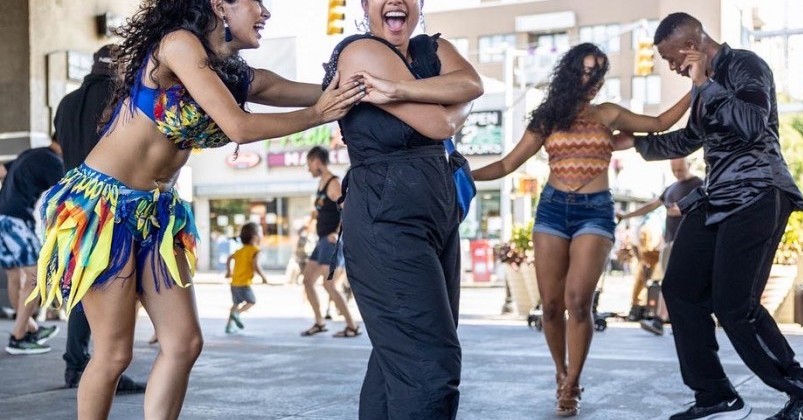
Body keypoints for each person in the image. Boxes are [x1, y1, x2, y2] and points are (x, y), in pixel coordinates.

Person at [28, 1, 364, 418]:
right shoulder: (178, 45)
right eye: (255, 2)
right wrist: (317, 115)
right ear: (221, 5)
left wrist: (364, 88)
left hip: (158, 212)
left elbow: (313, 92)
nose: (266, 12)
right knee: (114, 354)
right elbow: (239, 126)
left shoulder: (235, 74)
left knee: (184, 343)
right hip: (103, 207)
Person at [612, 12, 803, 420]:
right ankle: (715, 395)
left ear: (691, 46)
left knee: (736, 306)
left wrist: (703, 84)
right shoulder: (705, 90)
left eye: (671, 59)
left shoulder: (746, 65)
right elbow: (688, 139)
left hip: (758, 193)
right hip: (716, 198)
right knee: (679, 288)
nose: (671, 68)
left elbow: (752, 124)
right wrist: (637, 143)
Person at [472, 42, 690, 417]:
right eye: (585, 70)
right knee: (552, 306)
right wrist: (461, 173)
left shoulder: (607, 114)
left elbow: (658, 124)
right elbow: (508, 163)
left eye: (598, 73)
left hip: (595, 212)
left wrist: (696, 87)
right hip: (553, 211)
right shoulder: (548, 118)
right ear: (570, 72)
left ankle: (573, 383)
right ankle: (560, 371)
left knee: (577, 301)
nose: (591, 79)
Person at [322, 0, 483, 417]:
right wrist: (454, 100)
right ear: (365, 5)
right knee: (430, 363)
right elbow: (440, 125)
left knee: (398, 358)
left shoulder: (432, 48)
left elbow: (473, 83)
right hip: (385, 220)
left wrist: (397, 90)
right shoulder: (361, 51)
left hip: (435, 217)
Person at [53, 44, 147, 393]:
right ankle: (95, 366)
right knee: (107, 288)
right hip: (109, 203)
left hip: (72, 205)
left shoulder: (66, 104)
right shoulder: (119, 100)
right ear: (120, 68)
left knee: (86, 286)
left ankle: (78, 362)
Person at [617, 158, 702, 335]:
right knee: (670, 281)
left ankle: (661, 319)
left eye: (680, 169)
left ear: (688, 166)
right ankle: (668, 320)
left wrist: (683, 209)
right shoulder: (671, 188)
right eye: (674, 170)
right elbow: (651, 206)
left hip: (690, 242)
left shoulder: (699, 185)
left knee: (677, 281)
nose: (677, 173)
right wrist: (626, 216)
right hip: (670, 242)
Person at [0, 137, 64, 355]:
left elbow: (1, 170)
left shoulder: (31, 153)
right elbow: (66, 197)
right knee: (37, 277)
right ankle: (18, 337)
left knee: (14, 277)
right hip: (17, 221)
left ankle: (29, 327)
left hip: (2, 218)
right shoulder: (54, 162)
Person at [299, 146, 360, 338]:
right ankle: (319, 322)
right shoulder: (321, 184)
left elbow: (347, 208)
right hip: (321, 241)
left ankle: (352, 326)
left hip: (331, 241)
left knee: (329, 285)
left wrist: (336, 232)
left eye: (309, 163)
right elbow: (323, 212)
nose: (308, 168)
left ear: (317, 161)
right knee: (307, 280)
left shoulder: (333, 183)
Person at [224, 222, 267, 334]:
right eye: (261, 232)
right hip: (244, 283)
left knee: (235, 303)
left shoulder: (240, 250)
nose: (262, 235)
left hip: (234, 283)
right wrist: (264, 277)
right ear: (254, 237)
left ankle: (229, 326)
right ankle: (237, 314)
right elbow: (256, 265)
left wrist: (229, 271)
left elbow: (229, 258)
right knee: (251, 301)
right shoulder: (255, 251)